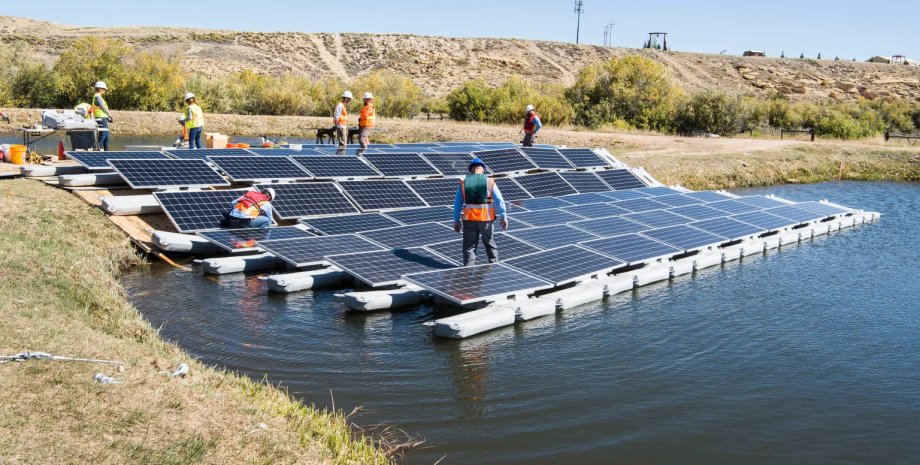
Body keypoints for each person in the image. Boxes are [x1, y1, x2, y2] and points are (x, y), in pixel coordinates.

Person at [452, 158, 508, 266]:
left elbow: (457, 204)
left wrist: (456, 220)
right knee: (489, 243)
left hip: (469, 219)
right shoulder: (489, 181)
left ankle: (467, 272)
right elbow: (499, 200)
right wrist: (503, 215)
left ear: (471, 170)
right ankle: (495, 267)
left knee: (469, 247)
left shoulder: (463, 183)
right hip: (486, 218)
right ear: (482, 169)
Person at [92, 81, 113, 151]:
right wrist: (109, 115)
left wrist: (108, 116)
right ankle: (98, 150)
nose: (105, 90)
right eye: (104, 89)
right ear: (100, 89)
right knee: (103, 135)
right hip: (101, 118)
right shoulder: (97, 97)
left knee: (106, 136)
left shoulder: (99, 96)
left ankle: (106, 152)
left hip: (104, 118)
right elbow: (103, 107)